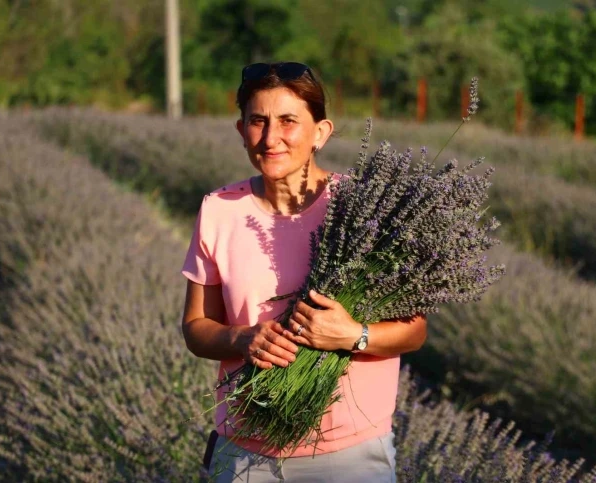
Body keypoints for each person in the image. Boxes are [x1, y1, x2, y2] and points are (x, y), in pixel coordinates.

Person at [180, 61, 427, 482]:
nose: (271, 137)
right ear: (241, 130)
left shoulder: (365, 208)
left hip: (348, 455)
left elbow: (415, 331)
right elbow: (196, 327)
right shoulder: (220, 210)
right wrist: (241, 338)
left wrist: (353, 335)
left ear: (320, 132)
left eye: (288, 121)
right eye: (257, 121)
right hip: (244, 450)